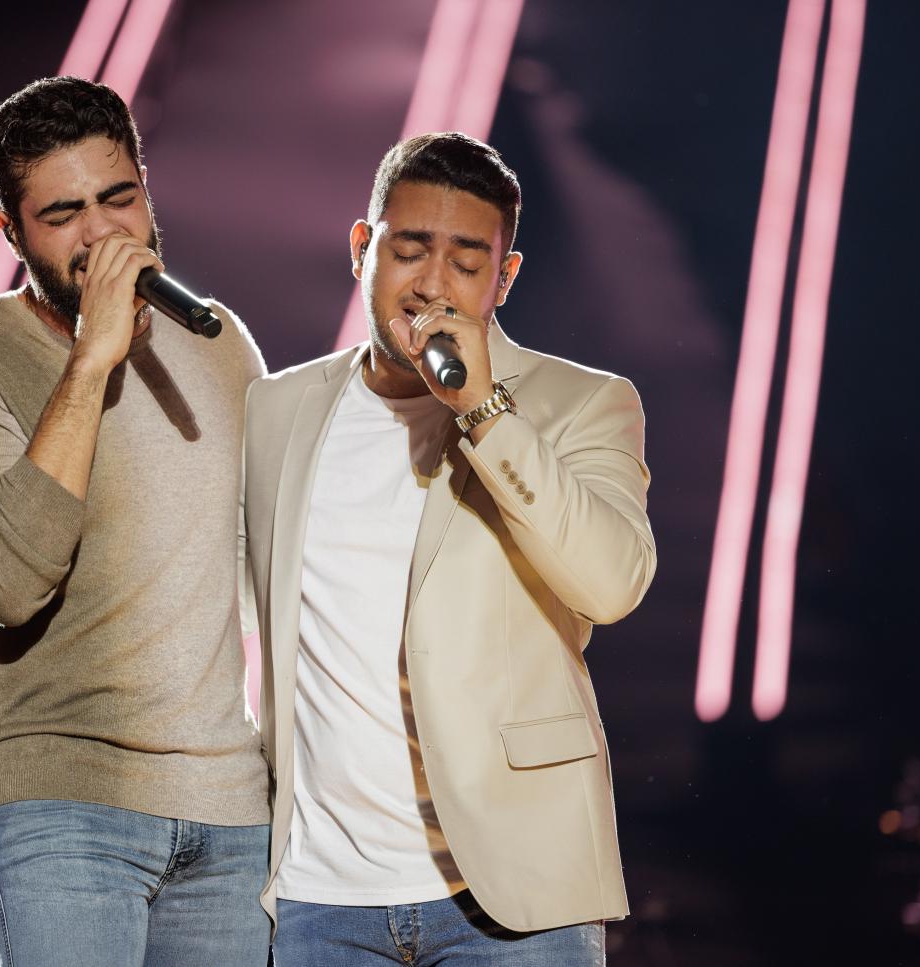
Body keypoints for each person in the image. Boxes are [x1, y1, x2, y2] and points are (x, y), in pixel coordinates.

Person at [240, 132, 656, 965]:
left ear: (504, 277)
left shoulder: (583, 403)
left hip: (513, 899)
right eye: (408, 250)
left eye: (467, 263)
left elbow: (612, 584)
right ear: (363, 249)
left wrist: (484, 411)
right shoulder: (276, 411)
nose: (432, 284)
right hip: (322, 899)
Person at [0, 76, 270, 967]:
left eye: (119, 197)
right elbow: (12, 582)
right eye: (64, 213)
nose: (103, 234)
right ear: (9, 231)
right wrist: (94, 356)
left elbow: (272, 556)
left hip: (228, 809)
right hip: (61, 805)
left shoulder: (218, 343)